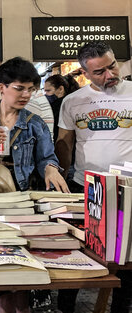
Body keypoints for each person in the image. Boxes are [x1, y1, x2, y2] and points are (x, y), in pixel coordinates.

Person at [0, 56, 68, 313]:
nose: (26, 95)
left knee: (19, 264)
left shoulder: (34, 122)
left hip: (19, 200)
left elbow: (46, 157)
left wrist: (51, 169)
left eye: (31, 89)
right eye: (19, 88)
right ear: (2, 87)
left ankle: (16, 306)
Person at [55, 41, 132, 313]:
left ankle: (121, 308)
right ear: (85, 73)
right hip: (84, 185)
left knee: (126, 256)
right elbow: (64, 143)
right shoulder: (73, 101)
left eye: (112, 66)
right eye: (99, 72)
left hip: (127, 188)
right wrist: (60, 180)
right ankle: (65, 307)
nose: (109, 75)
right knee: (78, 251)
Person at [43, 74, 79, 142]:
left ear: (60, 89)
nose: (45, 95)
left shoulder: (56, 108)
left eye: (48, 91)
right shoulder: (76, 103)